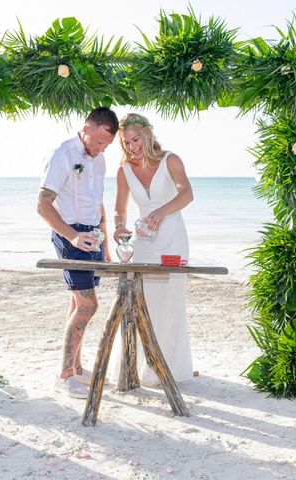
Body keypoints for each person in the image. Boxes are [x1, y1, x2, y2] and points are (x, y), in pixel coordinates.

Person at [37, 106, 118, 399]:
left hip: (93, 237)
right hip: (70, 235)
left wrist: (105, 244)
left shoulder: (100, 160)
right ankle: (65, 375)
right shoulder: (63, 154)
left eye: (106, 145)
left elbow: (99, 204)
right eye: (97, 142)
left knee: (77, 305)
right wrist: (72, 236)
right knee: (88, 306)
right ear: (86, 127)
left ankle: (78, 367)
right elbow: (43, 204)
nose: (100, 150)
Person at [111, 113, 194, 387]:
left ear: (147, 133)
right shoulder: (124, 170)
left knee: (169, 302)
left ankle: (167, 368)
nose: (132, 147)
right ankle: (136, 366)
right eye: (126, 143)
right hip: (143, 240)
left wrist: (161, 212)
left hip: (172, 237)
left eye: (135, 139)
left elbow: (186, 194)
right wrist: (120, 227)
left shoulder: (170, 159)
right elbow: (119, 209)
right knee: (139, 302)